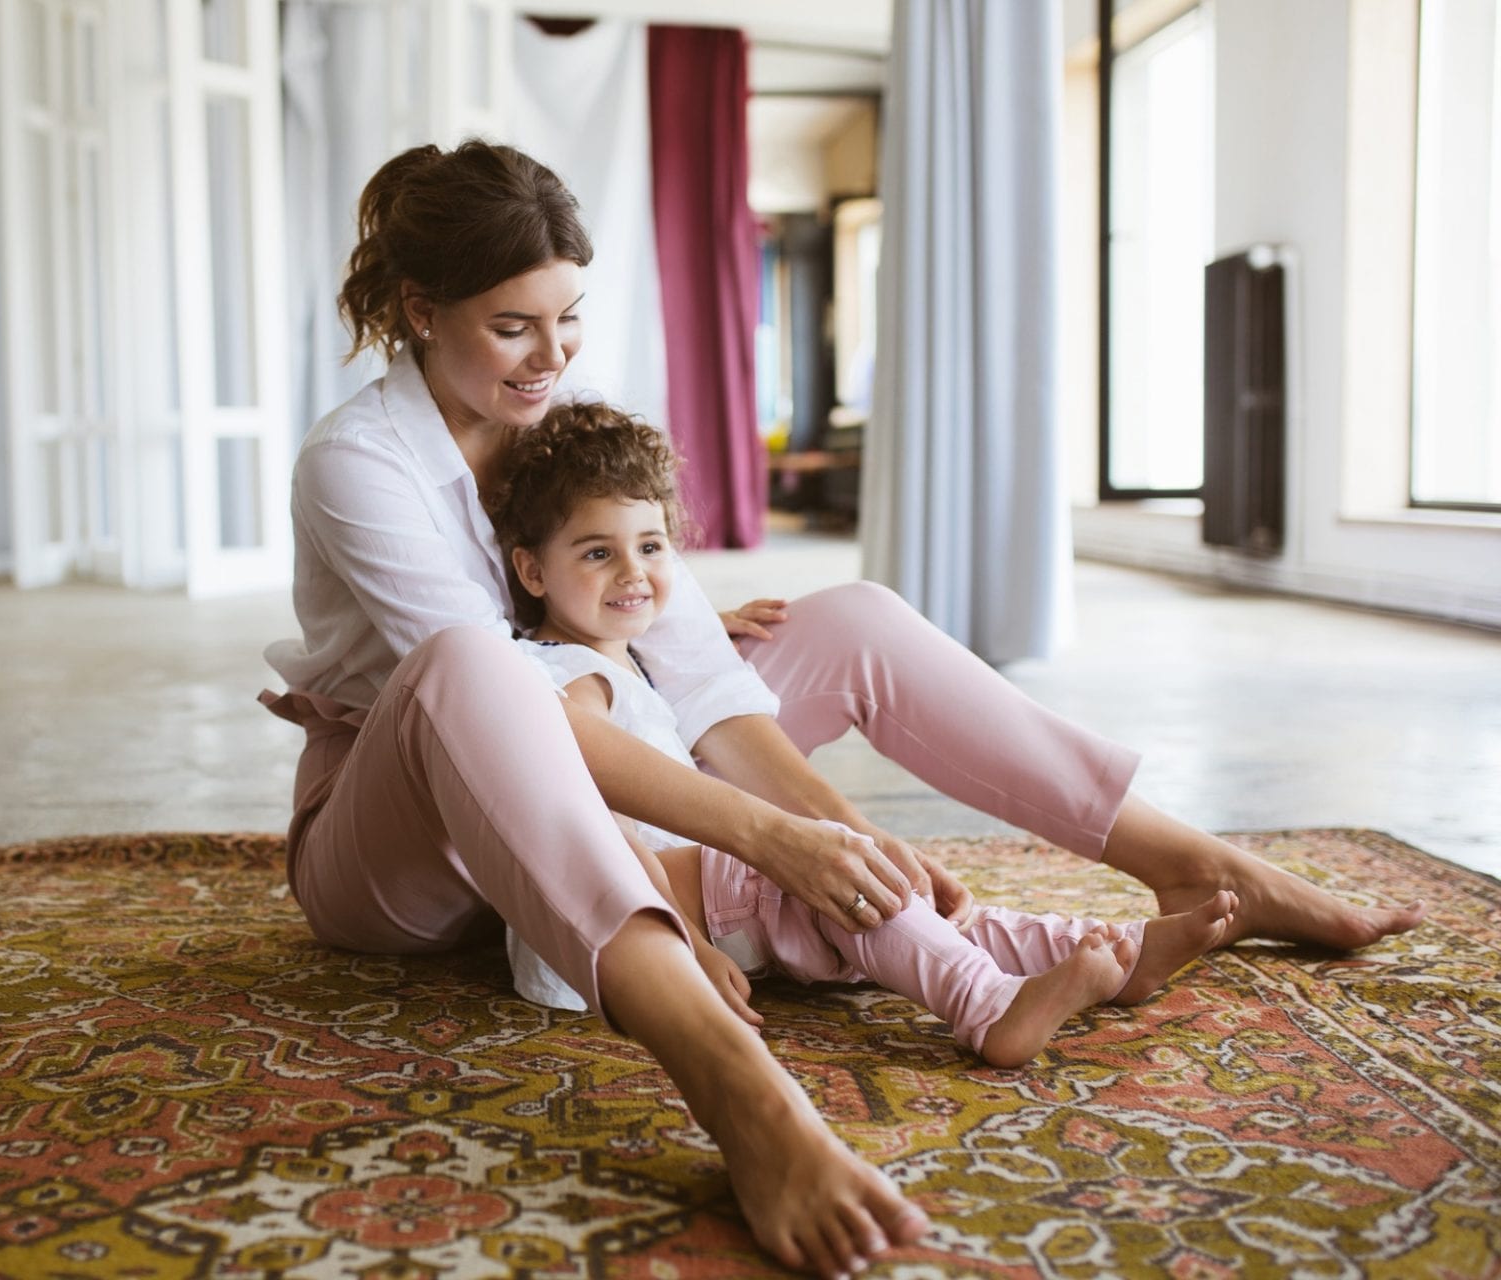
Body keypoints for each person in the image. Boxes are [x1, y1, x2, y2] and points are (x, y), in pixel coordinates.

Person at [259, 139, 1425, 1279]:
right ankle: (741, 1092)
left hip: (609, 770)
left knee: (847, 615)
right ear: (418, 308)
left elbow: (697, 670)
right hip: (411, 853)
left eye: (568, 316)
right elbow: (529, 713)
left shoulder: (568, 418)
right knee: (478, 664)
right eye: (513, 326)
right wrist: (771, 839)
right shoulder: (358, 461)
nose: (549, 354)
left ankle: (1194, 863)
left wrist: (847, 842)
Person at [484, 403, 1242, 1067]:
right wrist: (681, 944)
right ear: (533, 570)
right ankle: (989, 1009)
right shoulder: (562, 678)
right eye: (597, 553)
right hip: (664, 915)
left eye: (650, 547)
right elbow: (594, 834)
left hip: (712, 902)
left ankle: (1107, 951)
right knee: (856, 887)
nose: (634, 573)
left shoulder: (624, 662)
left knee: (886, 914)